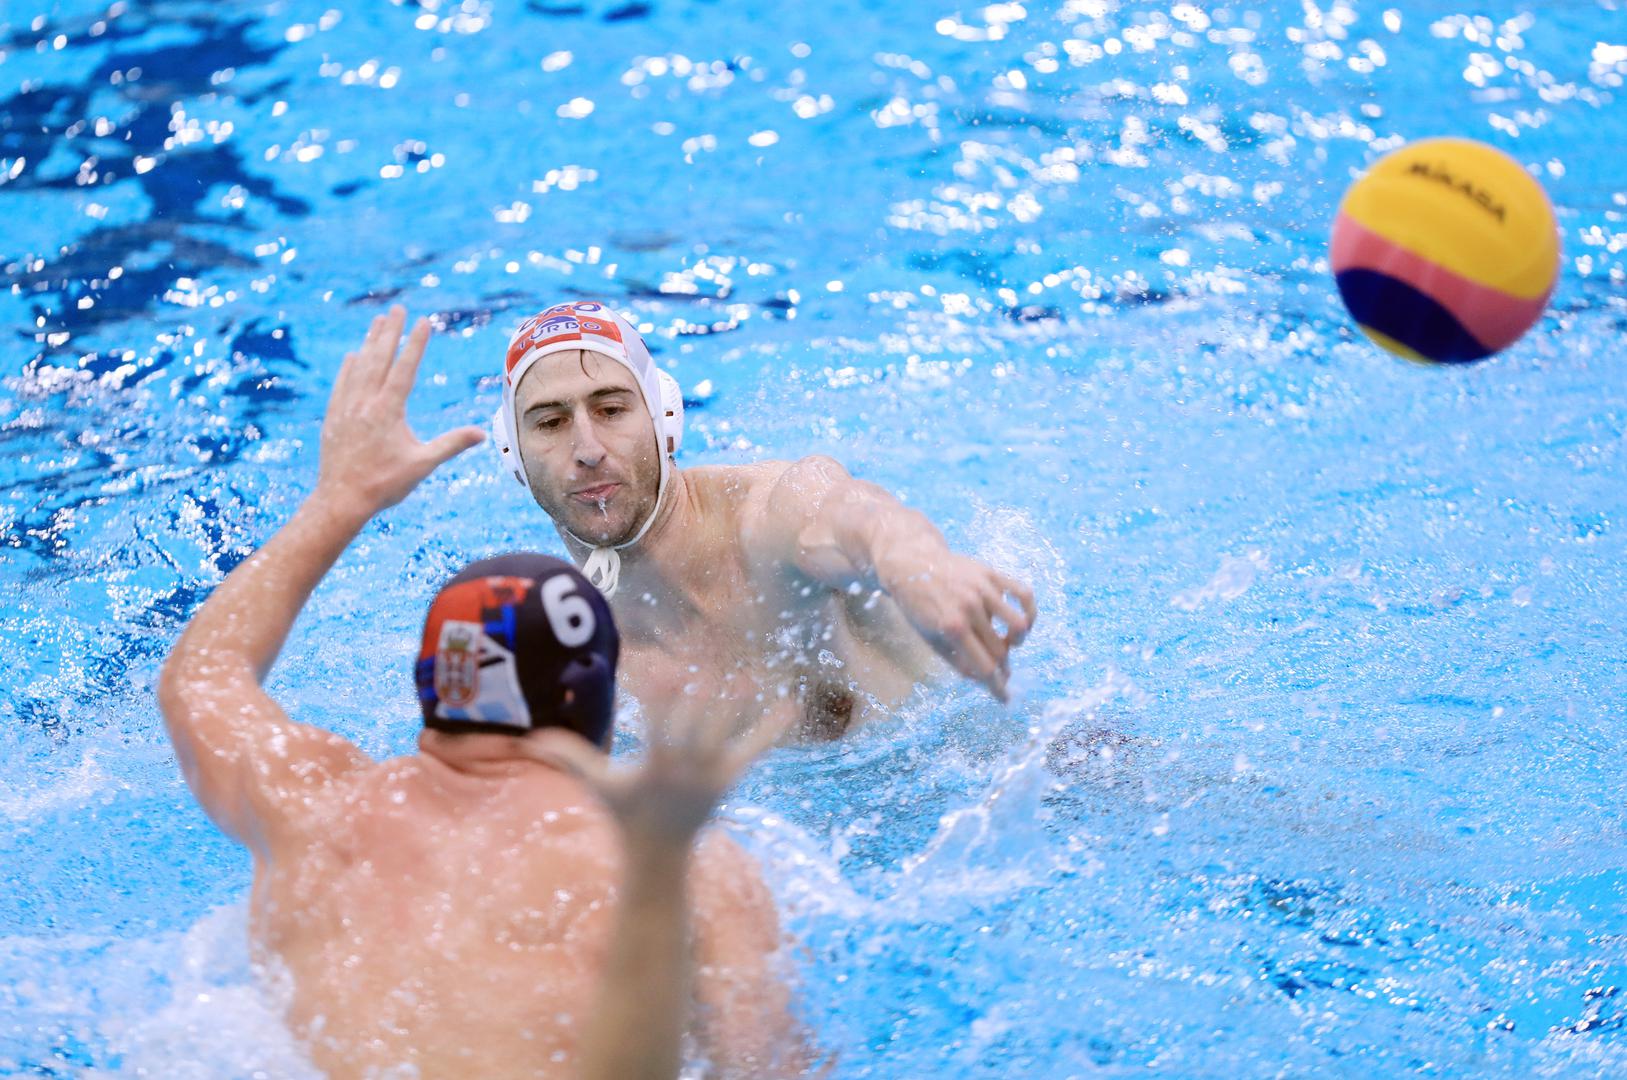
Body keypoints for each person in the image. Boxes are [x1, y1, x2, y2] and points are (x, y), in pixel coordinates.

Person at [157, 309, 801, 1079]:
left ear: (431, 679)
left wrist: (339, 499)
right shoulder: (689, 874)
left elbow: (201, 678)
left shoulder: (307, 803)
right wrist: (660, 864)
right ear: (599, 703)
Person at [490, 300, 1039, 738]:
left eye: (611, 410)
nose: (587, 449)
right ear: (514, 456)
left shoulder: (762, 517)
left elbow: (849, 514)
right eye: (550, 423)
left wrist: (912, 562)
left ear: (665, 419)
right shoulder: (565, 661)